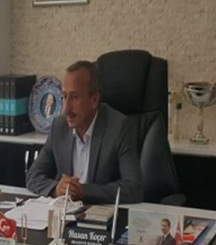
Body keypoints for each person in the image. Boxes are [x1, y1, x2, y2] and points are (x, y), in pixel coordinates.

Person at [26, 61, 143, 204]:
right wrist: (56, 188)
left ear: (94, 100)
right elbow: (33, 176)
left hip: (103, 214)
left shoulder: (119, 128)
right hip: (66, 213)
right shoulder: (59, 126)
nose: (66, 109)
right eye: (64, 96)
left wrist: (84, 191)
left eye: (75, 97)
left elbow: (134, 188)